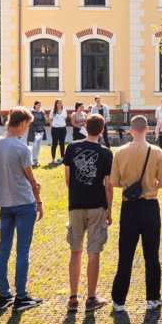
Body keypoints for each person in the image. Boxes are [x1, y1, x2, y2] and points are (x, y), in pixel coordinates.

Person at [110, 116, 162, 312]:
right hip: (150, 206)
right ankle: (152, 297)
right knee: (151, 254)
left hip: (129, 207)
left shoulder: (120, 152)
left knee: (125, 254)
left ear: (131, 129)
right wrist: (151, 183)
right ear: (147, 129)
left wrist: (129, 184)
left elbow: (115, 182)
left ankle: (119, 301)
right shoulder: (156, 151)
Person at [0, 107, 46, 311]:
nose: (27, 129)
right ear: (22, 123)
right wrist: (39, 203)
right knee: (22, 250)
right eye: (28, 125)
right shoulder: (22, 149)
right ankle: (21, 297)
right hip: (23, 203)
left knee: (4, 249)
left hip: (5, 204)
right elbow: (32, 181)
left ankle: (4, 295)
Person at [63, 114, 114, 312]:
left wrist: (76, 195)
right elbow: (108, 185)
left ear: (85, 127)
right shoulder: (106, 152)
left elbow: (68, 179)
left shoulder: (72, 147)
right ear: (102, 130)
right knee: (94, 252)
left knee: (75, 251)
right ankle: (91, 299)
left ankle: (73, 298)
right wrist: (109, 209)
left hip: (75, 204)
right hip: (97, 206)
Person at [48, 99, 68, 163]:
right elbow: (50, 120)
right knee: (55, 143)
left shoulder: (64, 111)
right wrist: (52, 126)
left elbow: (64, 118)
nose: (59, 104)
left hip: (63, 128)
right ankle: (53, 158)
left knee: (62, 143)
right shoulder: (53, 112)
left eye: (60, 103)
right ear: (56, 104)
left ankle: (62, 157)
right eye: (58, 103)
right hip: (55, 129)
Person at [28, 100, 48, 166]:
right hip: (35, 132)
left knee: (38, 146)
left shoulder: (42, 112)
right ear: (35, 105)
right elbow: (31, 123)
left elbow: (44, 121)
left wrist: (37, 123)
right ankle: (33, 159)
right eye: (38, 105)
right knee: (34, 145)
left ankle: (36, 159)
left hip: (41, 130)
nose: (39, 106)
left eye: (40, 105)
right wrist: (34, 131)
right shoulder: (31, 112)